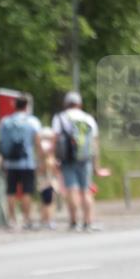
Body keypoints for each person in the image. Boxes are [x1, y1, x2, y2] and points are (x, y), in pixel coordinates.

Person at [52, 91, 100, 232]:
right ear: (79, 104)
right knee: (86, 190)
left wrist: (55, 158)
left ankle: (74, 222)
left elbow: (55, 139)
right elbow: (95, 143)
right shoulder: (88, 118)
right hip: (86, 159)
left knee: (71, 190)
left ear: (66, 104)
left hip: (67, 159)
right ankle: (88, 222)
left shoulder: (60, 117)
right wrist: (96, 164)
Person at [0, 96, 41, 230]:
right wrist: (39, 159)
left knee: (10, 191)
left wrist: (3, 159)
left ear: (14, 105)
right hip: (27, 162)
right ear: (26, 106)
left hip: (10, 162)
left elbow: (2, 142)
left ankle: (12, 220)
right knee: (27, 191)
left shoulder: (6, 121)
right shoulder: (32, 121)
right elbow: (38, 141)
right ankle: (27, 219)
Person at [35, 125, 60, 229]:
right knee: (48, 199)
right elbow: (49, 164)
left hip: (44, 179)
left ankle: (45, 219)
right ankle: (48, 220)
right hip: (47, 179)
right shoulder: (46, 149)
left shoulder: (39, 148)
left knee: (45, 199)